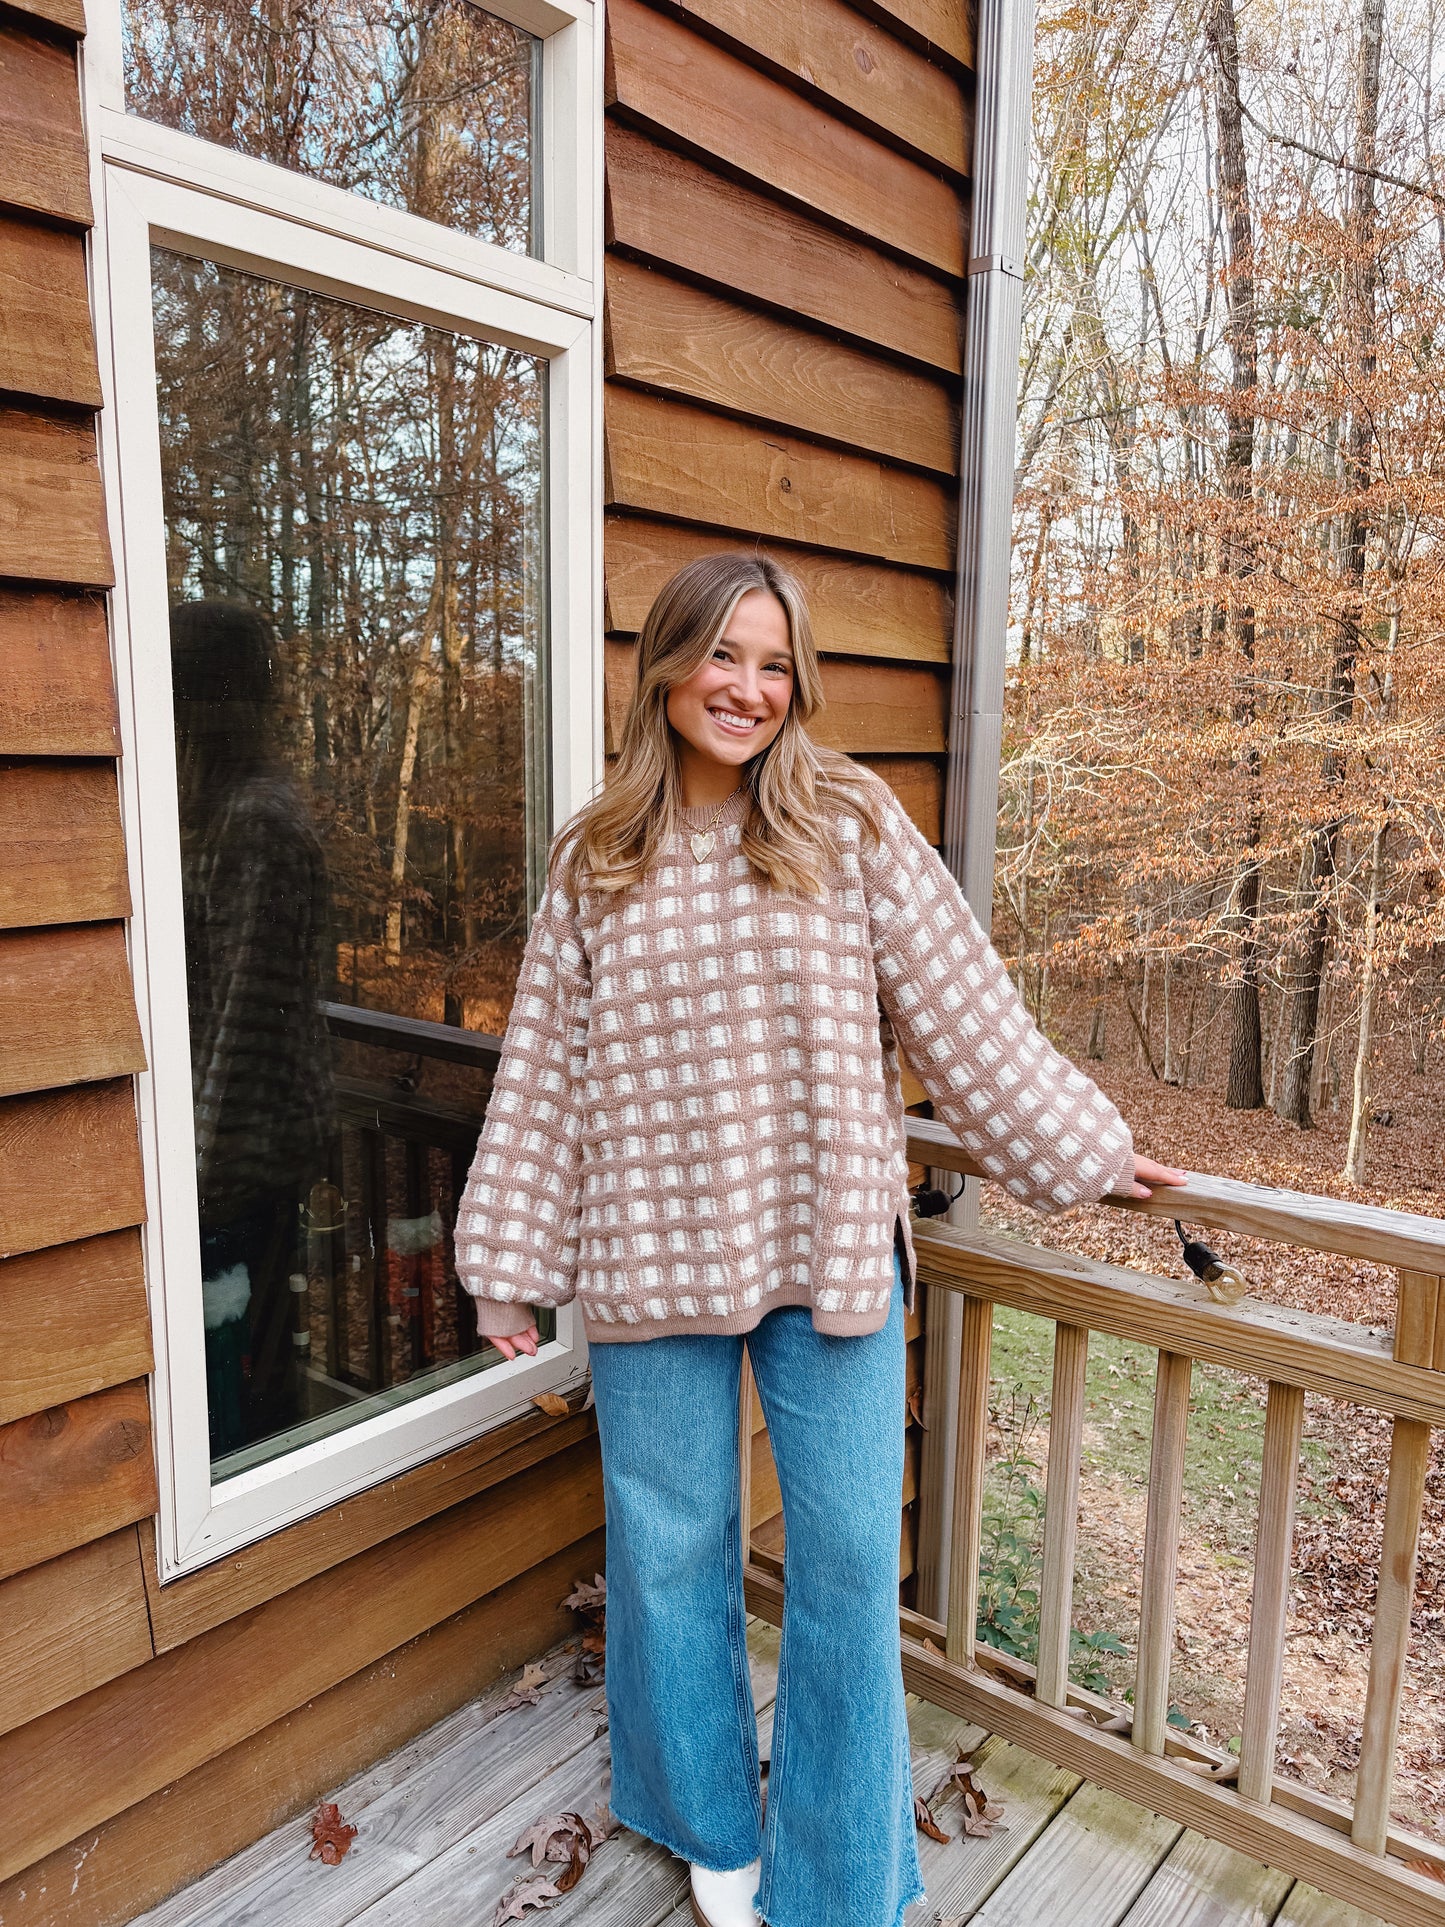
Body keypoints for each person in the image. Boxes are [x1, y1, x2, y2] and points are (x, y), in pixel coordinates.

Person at [453, 553, 1185, 1927]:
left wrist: (1088, 1151)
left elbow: (966, 1015)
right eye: (722, 656)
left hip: (829, 1247)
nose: (747, 688)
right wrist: (508, 1265)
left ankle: (840, 1878)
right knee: (670, 1553)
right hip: (650, 1253)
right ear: (667, 669)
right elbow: (544, 1072)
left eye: (774, 664)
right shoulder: (596, 856)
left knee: (845, 1567)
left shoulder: (845, 822)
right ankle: (705, 1822)